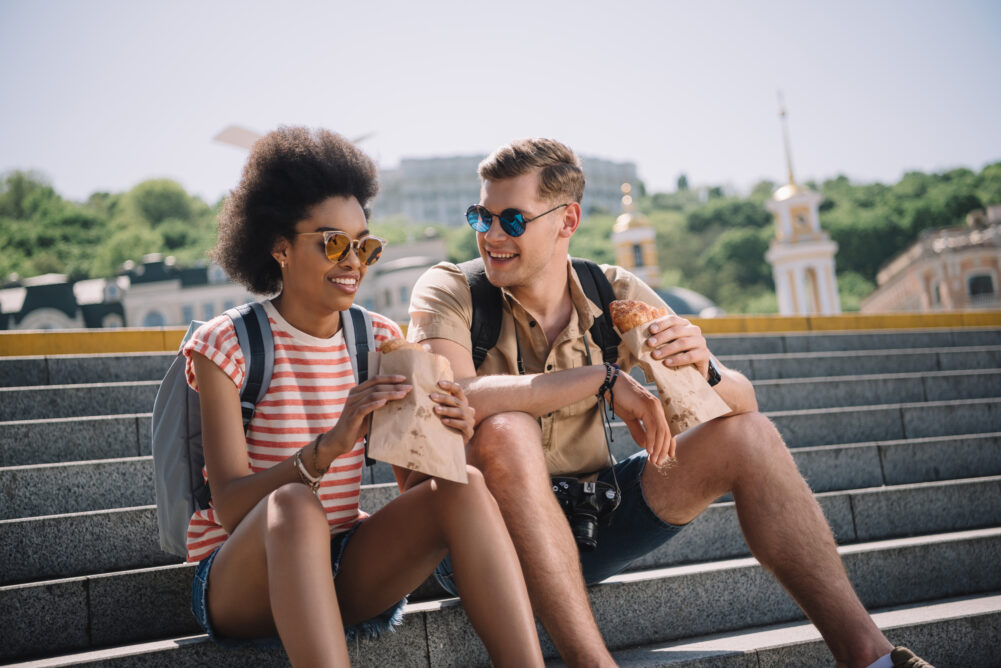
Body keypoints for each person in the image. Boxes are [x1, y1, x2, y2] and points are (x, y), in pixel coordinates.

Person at [406, 138, 933, 668]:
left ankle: (872, 658)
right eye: (482, 216)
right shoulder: (453, 288)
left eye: (513, 221)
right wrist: (602, 378)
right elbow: (458, 396)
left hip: (592, 518)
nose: (491, 236)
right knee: (505, 431)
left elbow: (741, 401)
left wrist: (704, 366)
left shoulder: (611, 291)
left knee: (749, 436)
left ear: (567, 221)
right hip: (475, 541)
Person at [184, 126, 543, 667]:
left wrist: (450, 435)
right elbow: (232, 508)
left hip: (341, 561)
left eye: (365, 245)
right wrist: (327, 449)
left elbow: (420, 488)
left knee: (464, 485)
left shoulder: (374, 338)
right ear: (280, 246)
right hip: (241, 577)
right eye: (333, 242)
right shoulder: (226, 343)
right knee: (295, 505)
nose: (353, 260)